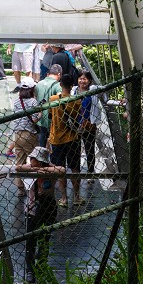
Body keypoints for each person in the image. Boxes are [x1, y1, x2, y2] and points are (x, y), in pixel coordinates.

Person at [22, 145, 66, 284]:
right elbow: (18, 168)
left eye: (33, 158)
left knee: (45, 238)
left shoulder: (50, 170)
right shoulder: (30, 169)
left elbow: (62, 170)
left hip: (48, 207)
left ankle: (41, 265)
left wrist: (44, 169)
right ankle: (30, 269)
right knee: (31, 240)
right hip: (33, 209)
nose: (30, 160)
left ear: (40, 160)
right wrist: (35, 169)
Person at [48, 72, 83, 207]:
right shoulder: (76, 100)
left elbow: (51, 116)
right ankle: (77, 196)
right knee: (75, 168)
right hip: (73, 138)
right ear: (72, 85)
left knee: (60, 169)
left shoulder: (53, 99)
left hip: (57, 138)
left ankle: (64, 198)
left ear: (60, 84)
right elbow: (77, 117)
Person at [8, 77, 41, 195]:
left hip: (17, 135)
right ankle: (36, 187)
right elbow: (34, 119)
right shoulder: (33, 102)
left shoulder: (17, 101)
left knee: (19, 162)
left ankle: (20, 188)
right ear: (32, 89)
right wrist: (41, 113)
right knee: (35, 161)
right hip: (29, 134)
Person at [73, 69, 103, 184]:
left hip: (89, 125)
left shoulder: (93, 90)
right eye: (80, 78)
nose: (82, 81)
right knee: (75, 150)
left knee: (89, 149)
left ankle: (91, 173)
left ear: (89, 80)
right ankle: (77, 173)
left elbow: (104, 92)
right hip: (75, 125)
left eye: (84, 78)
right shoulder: (74, 91)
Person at [34, 63, 63, 149]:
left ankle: (40, 161)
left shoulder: (39, 83)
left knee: (41, 146)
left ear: (48, 74)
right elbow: (61, 97)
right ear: (59, 74)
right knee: (54, 146)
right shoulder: (57, 85)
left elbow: (35, 98)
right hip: (53, 121)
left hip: (40, 120)